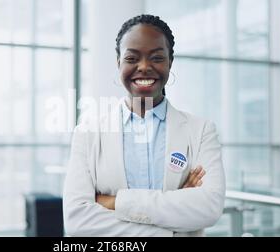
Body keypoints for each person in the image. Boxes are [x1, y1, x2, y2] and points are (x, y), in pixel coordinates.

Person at [63, 14, 225, 236]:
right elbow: (77, 222)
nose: (144, 67)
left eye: (157, 58)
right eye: (132, 58)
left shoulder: (201, 131)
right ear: (118, 62)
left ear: (170, 61)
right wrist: (172, 223)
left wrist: (115, 202)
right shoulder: (88, 133)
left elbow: (209, 207)